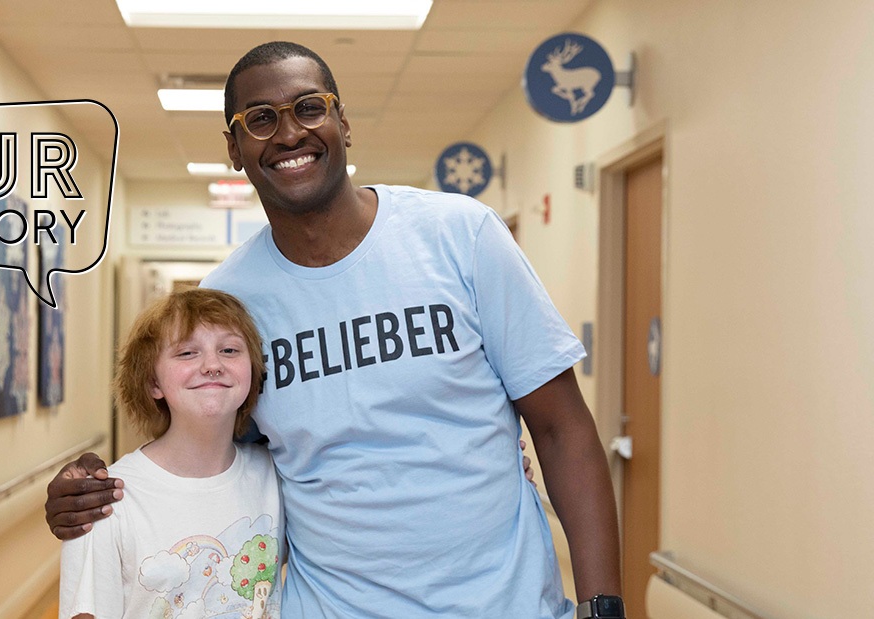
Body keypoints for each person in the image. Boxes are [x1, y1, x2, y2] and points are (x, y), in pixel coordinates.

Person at [48, 41, 624, 619]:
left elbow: (561, 430)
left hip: (508, 604)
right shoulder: (230, 297)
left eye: (308, 108)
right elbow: (213, 454)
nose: (289, 134)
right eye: (261, 119)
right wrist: (98, 496)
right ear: (234, 148)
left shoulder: (460, 235)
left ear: (343, 122)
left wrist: (604, 608)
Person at [59, 288, 283, 619]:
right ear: (153, 383)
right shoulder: (108, 501)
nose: (212, 365)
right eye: (187, 353)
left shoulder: (274, 476)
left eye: (229, 349)